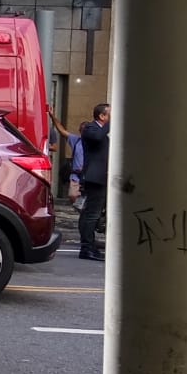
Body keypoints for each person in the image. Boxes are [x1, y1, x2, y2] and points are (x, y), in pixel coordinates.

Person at [77, 102, 110, 261]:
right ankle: (87, 248)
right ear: (102, 116)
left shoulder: (101, 131)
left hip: (99, 177)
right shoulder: (91, 128)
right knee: (91, 214)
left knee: (91, 214)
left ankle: (90, 247)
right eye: (109, 115)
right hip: (94, 178)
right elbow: (97, 137)